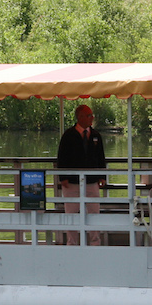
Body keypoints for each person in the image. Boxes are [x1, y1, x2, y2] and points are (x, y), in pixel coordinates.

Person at [56, 104, 106, 245]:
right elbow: (62, 157)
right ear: (81, 117)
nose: (92, 118)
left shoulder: (96, 135)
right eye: (89, 115)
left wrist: (102, 176)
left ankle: (95, 242)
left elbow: (101, 157)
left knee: (94, 214)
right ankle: (72, 243)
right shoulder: (69, 135)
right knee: (71, 214)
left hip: (91, 181)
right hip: (71, 182)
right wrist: (63, 178)